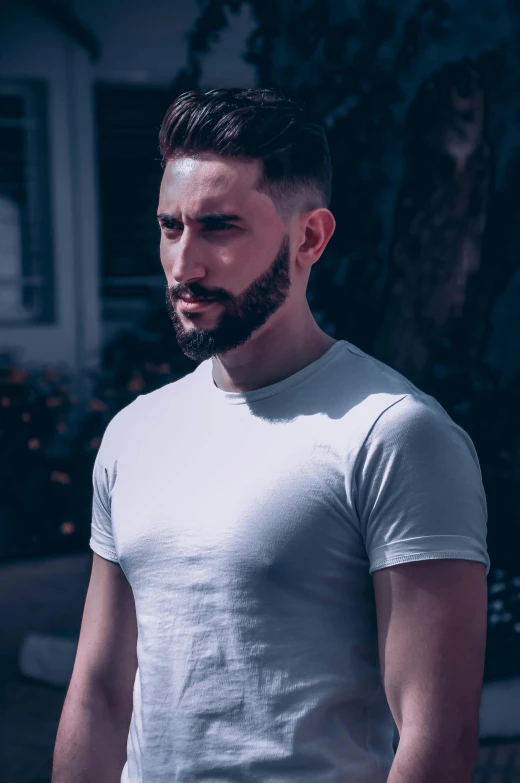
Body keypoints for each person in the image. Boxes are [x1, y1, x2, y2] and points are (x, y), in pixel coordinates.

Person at [52, 88, 489, 783]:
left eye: (219, 227)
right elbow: (100, 694)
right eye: (171, 226)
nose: (183, 264)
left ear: (309, 238)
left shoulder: (394, 434)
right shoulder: (133, 433)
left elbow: (438, 738)